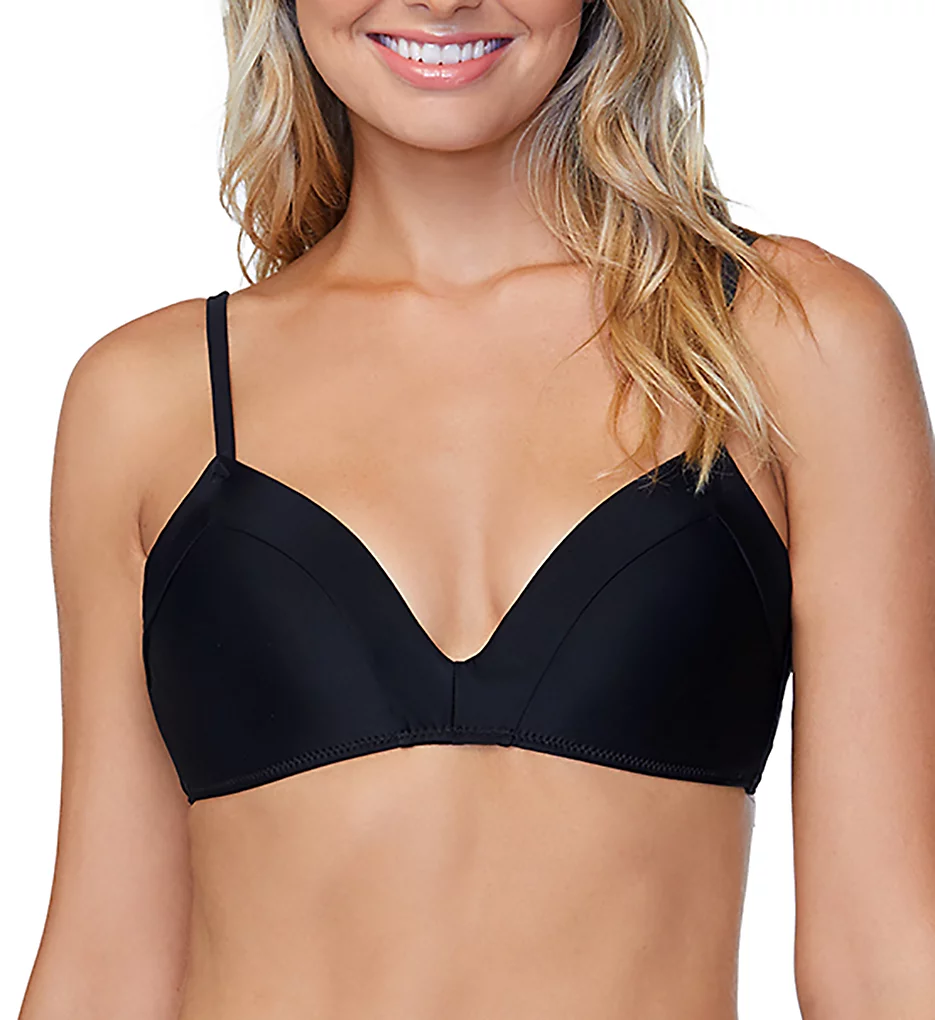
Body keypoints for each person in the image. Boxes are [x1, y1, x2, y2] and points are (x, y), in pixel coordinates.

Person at [18, 1, 935, 1017]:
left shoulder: (784, 343)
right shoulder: (148, 399)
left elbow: (881, 960)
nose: (442, 1)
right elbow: (105, 966)